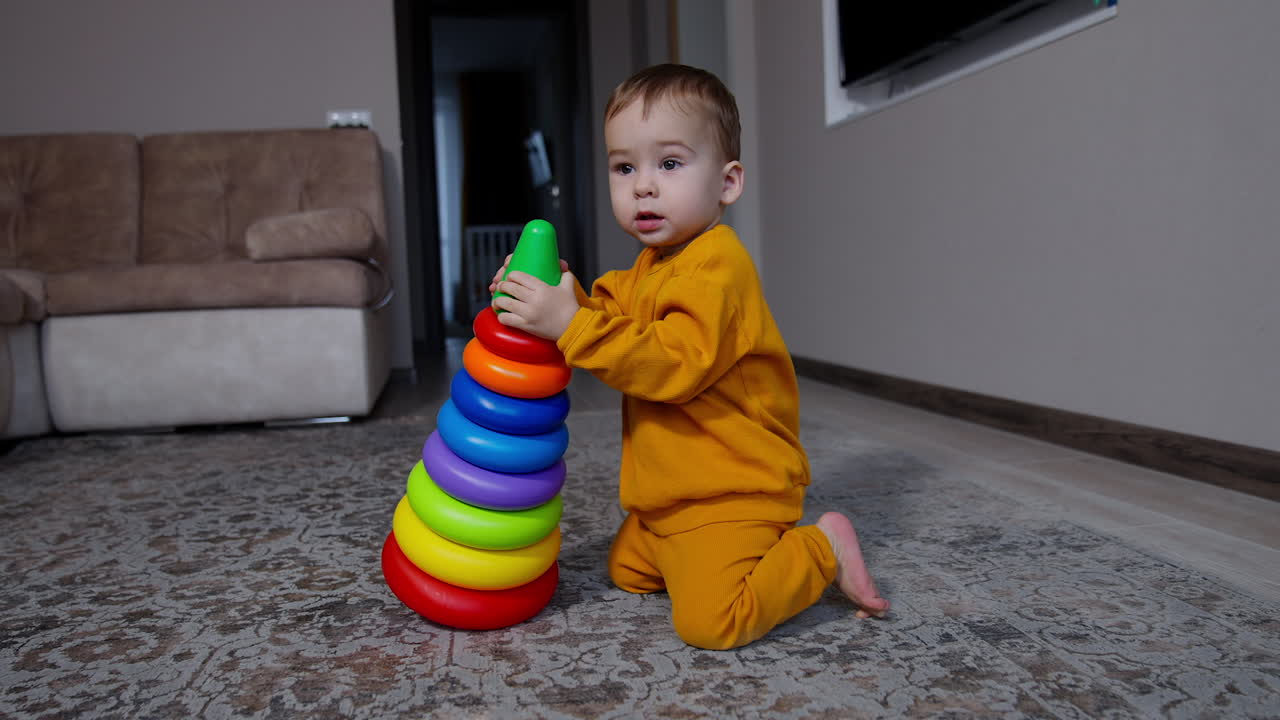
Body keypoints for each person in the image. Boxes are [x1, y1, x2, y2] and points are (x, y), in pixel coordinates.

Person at [489, 63, 889, 649]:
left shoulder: (718, 269)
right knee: (624, 571)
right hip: (668, 499)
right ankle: (682, 543)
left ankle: (819, 547)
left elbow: (672, 364)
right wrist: (545, 296)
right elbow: (600, 313)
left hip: (733, 489)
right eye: (624, 167)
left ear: (727, 183)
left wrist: (570, 323)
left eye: (669, 164)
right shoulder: (647, 269)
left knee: (711, 623)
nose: (643, 185)